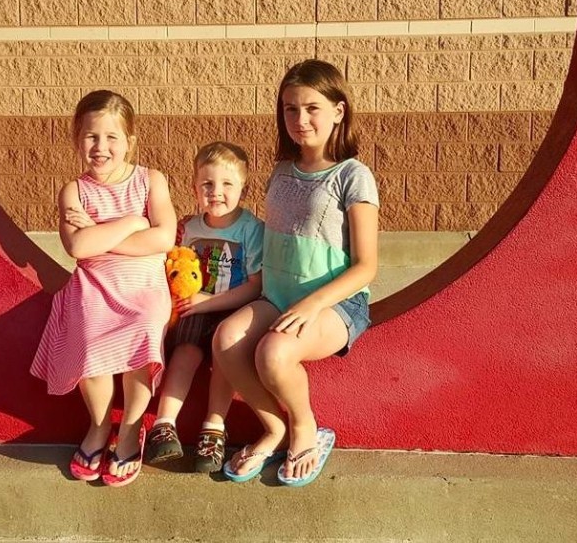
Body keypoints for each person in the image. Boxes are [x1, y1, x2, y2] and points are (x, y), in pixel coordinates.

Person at [213, 60, 379, 487]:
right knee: (226, 340)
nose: (300, 120)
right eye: (290, 109)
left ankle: (305, 427)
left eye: (312, 108)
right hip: (277, 298)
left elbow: (367, 266)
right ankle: (274, 428)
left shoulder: (352, 176)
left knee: (274, 353)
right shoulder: (281, 170)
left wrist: (312, 304)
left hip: (335, 305)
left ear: (339, 111)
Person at [30, 90, 175, 487]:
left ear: (130, 141)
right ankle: (98, 426)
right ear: (78, 140)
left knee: (145, 330)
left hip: (144, 282)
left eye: (112, 137)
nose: (102, 147)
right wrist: (131, 223)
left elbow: (163, 238)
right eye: (92, 137)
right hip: (96, 283)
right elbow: (78, 247)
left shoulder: (151, 180)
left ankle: (129, 428)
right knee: (89, 334)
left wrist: (100, 234)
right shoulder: (74, 191)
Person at [145, 142, 264, 473]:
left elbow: (254, 285)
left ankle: (214, 427)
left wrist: (208, 302)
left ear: (244, 187)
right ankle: (164, 424)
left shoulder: (252, 231)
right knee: (185, 351)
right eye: (207, 184)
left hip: (231, 308)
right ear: (194, 188)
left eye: (227, 184)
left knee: (224, 352)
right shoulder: (189, 229)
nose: (217, 192)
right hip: (195, 309)